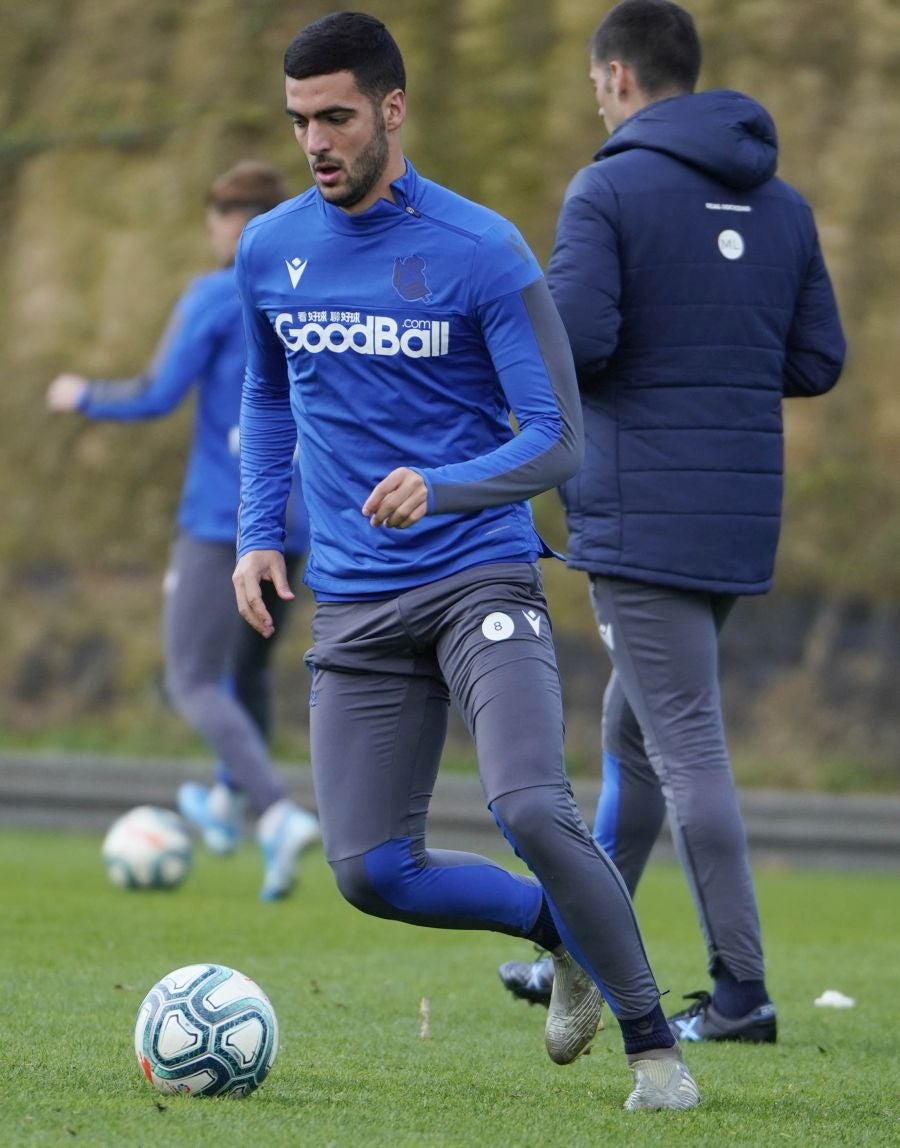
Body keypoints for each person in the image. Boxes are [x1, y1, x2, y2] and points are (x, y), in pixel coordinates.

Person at [231, 11, 700, 1112]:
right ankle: (560, 932)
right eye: (300, 119)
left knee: (531, 805)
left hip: (479, 576)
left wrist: (442, 485)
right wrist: (259, 531)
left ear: (393, 109)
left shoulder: (481, 247)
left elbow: (558, 437)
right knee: (370, 873)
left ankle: (657, 1050)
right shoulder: (270, 250)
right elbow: (267, 394)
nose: (316, 142)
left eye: (337, 115)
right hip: (352, 599)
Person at [497, 0, 846, 1043]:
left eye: (593, 82)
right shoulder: (781, 203)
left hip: (643, 512)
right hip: (735, 514)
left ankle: (741, 993)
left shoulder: (607, 186)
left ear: (616, 79)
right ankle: (582, 942)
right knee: (637, 741)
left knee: (684, 744)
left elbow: (580, 344)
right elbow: (815, 358)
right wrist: (717, 369)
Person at [45, 160, 321, 902]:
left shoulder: (215, 294)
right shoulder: (314, 291)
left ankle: (274, 809)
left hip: (221, 521)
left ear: (233, 223)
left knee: (193, 678)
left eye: (215, 220)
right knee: (251, 674)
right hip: (299, 521)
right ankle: (233, 800)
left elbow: (157, 394)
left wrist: (83, 394)